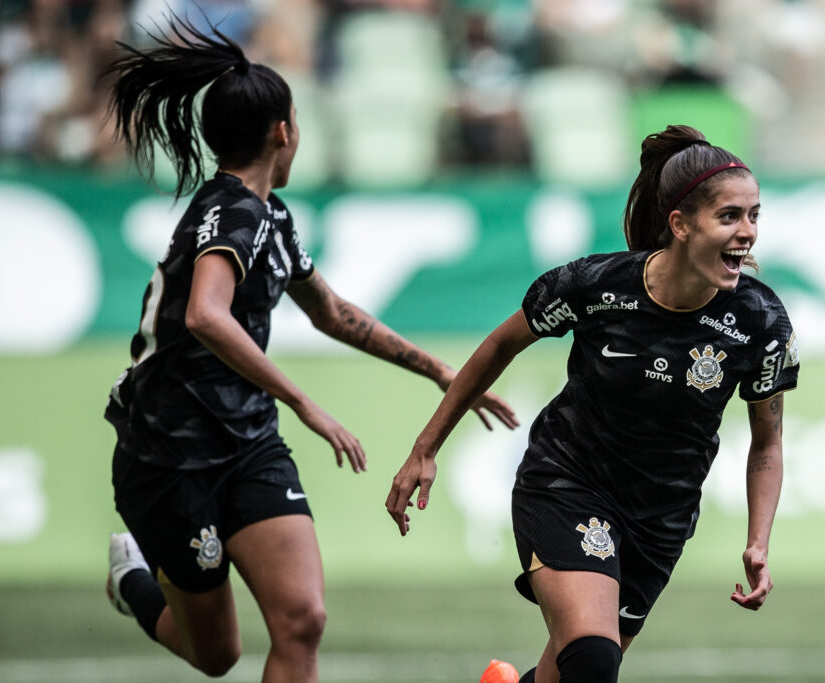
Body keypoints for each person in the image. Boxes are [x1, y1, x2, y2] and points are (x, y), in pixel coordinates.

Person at [101, 15, 517, 682]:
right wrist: (303, 401)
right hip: (170, 454)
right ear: (284, 131)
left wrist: (441, 371)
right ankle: (135, 582)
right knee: (217, 654)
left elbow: (333, 313)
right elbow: (206, 314)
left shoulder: (272, 218)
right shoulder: (231, 212)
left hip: (245, 444)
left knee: (302, 619)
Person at [387, 125, 799, 683]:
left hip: (661, 517)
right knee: (594, 660)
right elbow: (502, 342)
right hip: (568, 482)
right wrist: (424, 448)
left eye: (754, 215)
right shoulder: (596, 286)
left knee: (574, 671)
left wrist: (757, 542)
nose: (747, 232)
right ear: (679, 224)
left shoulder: (761, 322)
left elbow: (768, 443)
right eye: (729, 216)